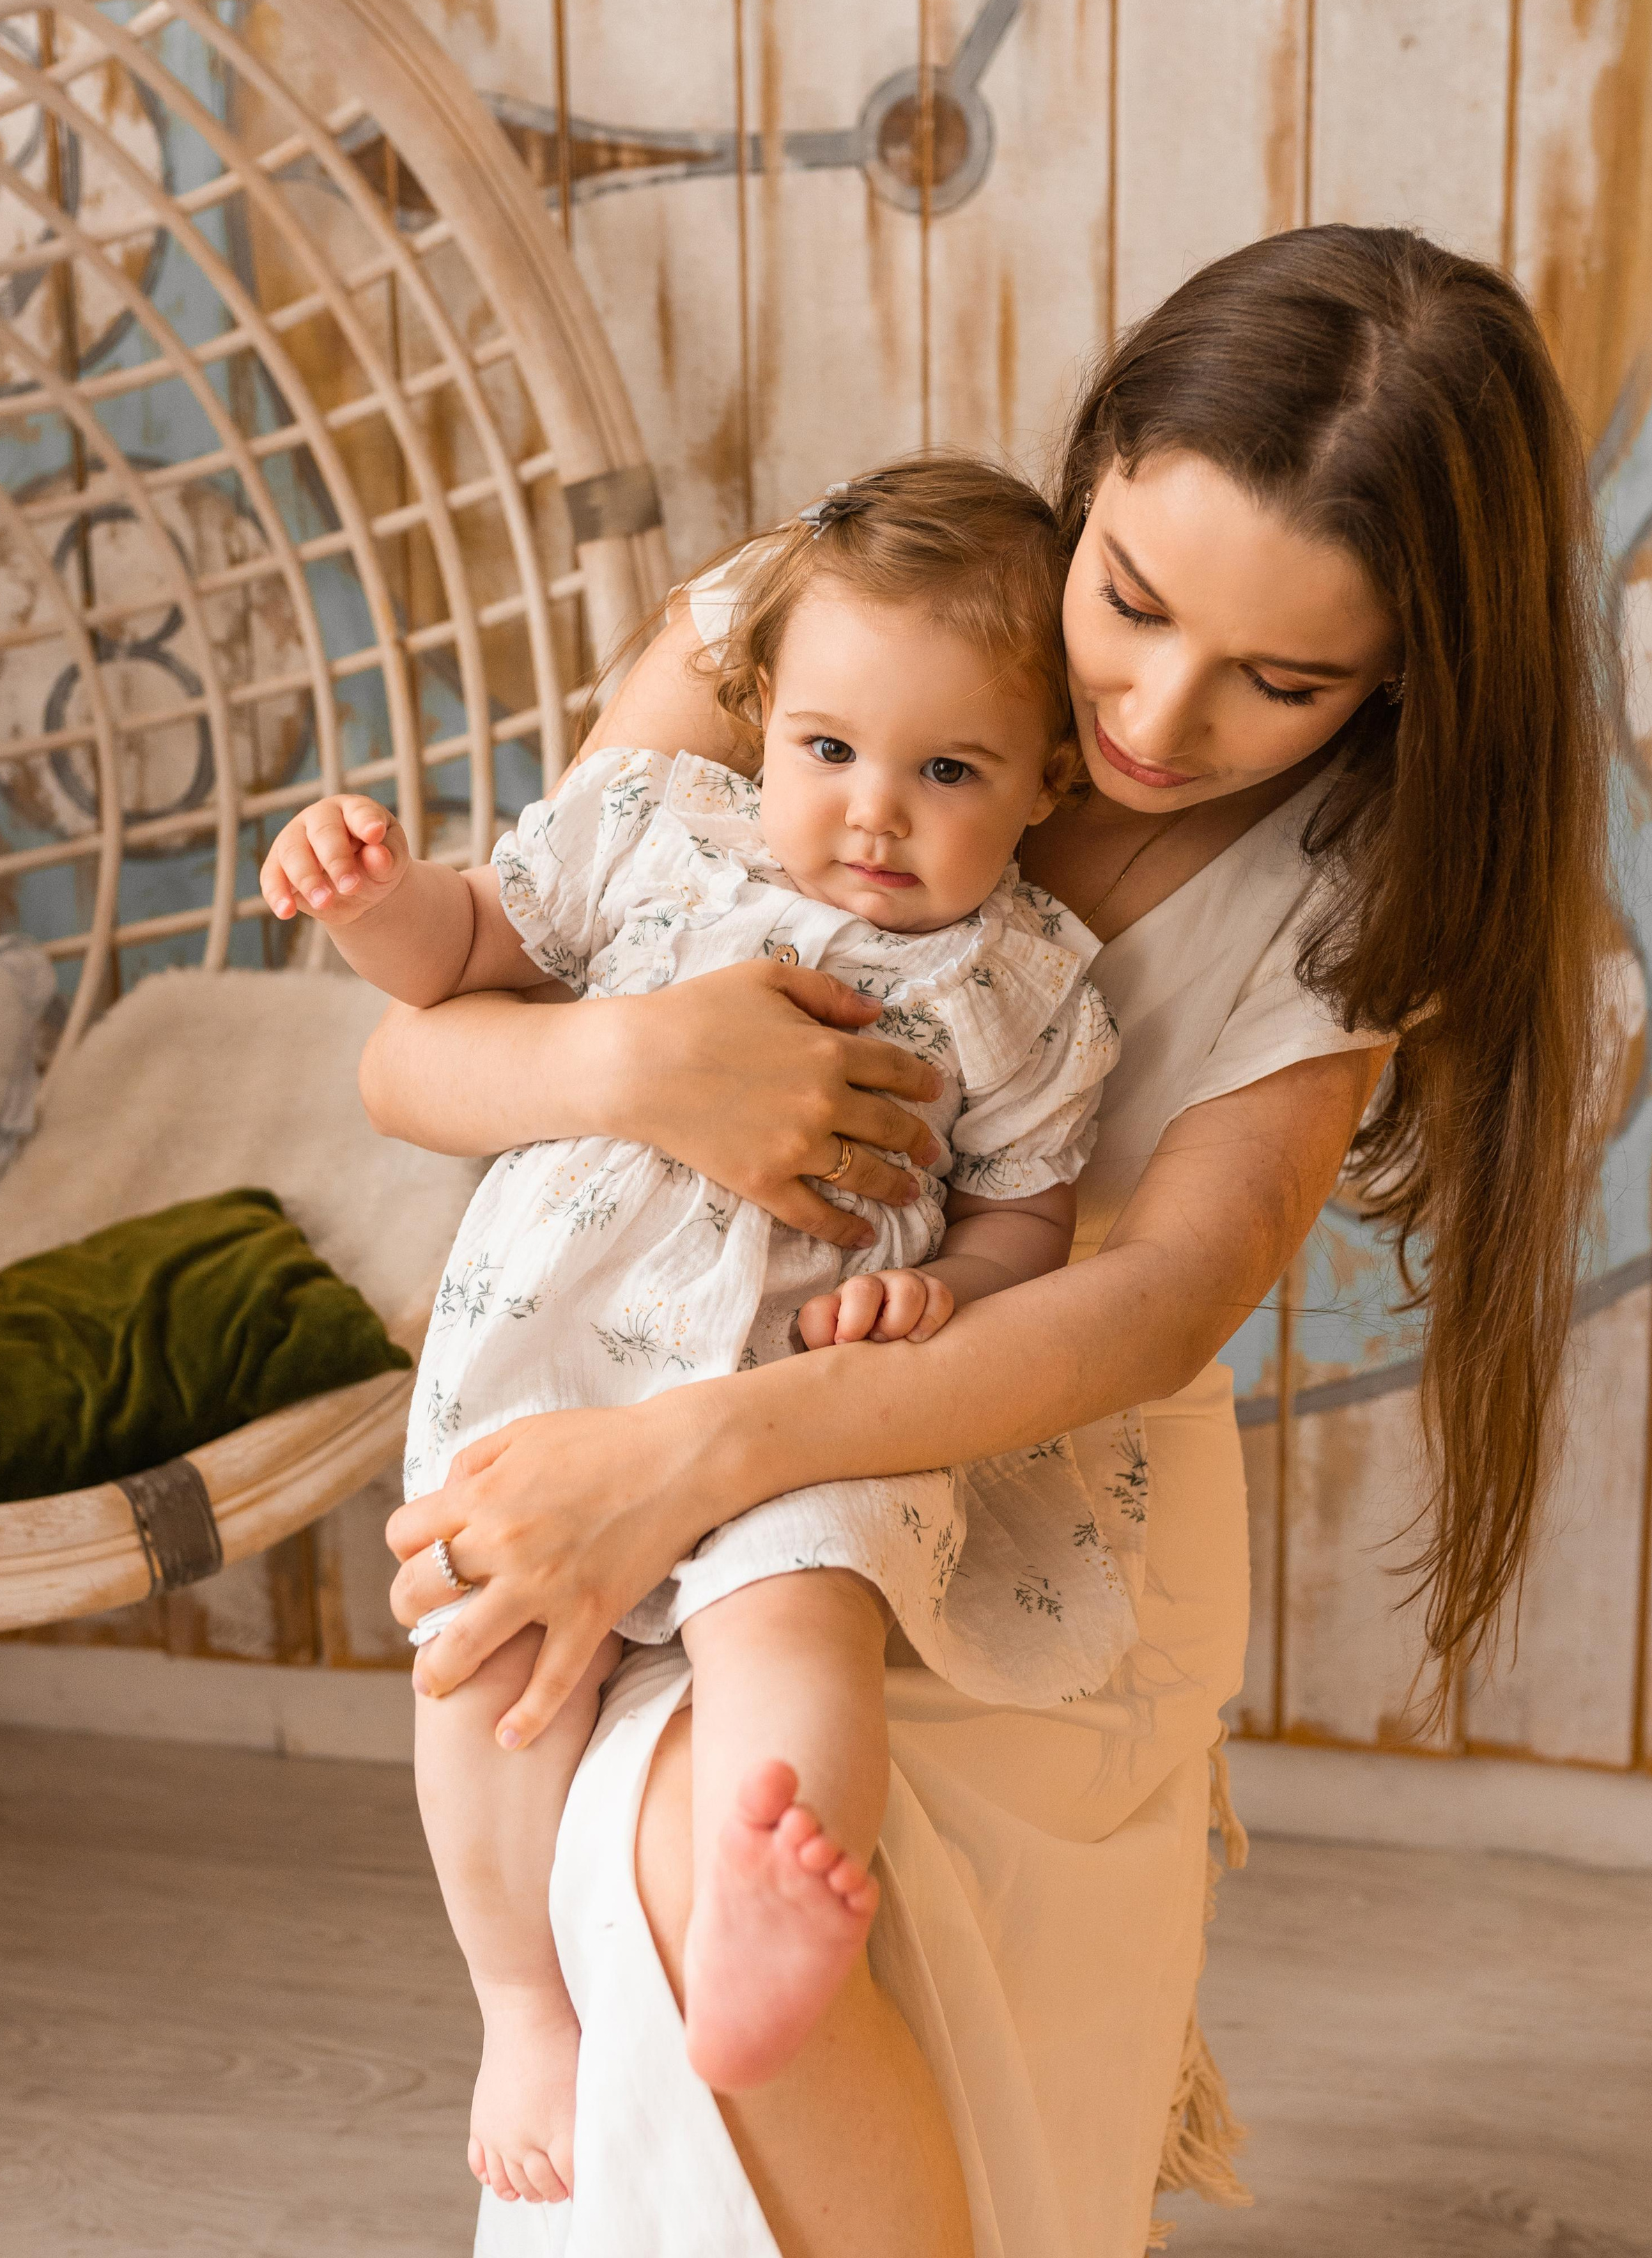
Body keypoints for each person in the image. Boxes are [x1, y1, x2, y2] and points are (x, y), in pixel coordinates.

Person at [361, 225, 1613, 2257]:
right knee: (562, 1783)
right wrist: (650, 1065)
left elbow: (1154, 1298)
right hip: (641, 1368)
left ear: (1403, 676)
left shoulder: (1355, 883)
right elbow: (414, 1067)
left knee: (722, 1848)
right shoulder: (831, 621)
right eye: (1123, 599)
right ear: (1089, 463)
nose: (1154, 709)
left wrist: (714, 1451)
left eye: (1284, 681)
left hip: (1025, 1483)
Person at [260, 458, 1146, 2198]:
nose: (872, 813)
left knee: (795, 1624)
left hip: (805, 1402)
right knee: (484, 1675)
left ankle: (764, 1894)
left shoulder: (1024, 988)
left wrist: (940, 1295)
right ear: (761, 722)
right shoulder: (655, 828)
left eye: (945, 772)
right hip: (556, 1363)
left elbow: (1022, 1218)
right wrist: (370, 898)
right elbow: (465, 954)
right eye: (827, 751)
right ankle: (523, 2005)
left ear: (1045, 785)